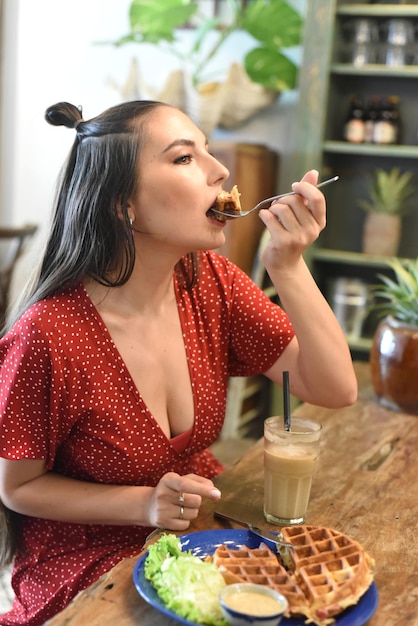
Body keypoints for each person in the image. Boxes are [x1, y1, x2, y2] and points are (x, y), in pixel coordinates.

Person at [0, 100, 357, 625]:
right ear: (124, 204)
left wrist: (287, 265)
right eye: (185, 158)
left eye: (207, 150)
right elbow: (17, 487)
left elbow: (334, 388)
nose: (220, 171)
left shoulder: (209, 281)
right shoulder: (48, 335)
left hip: (198, 530)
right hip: (87, 557)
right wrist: (144, 506)